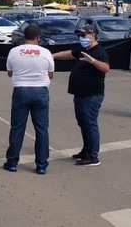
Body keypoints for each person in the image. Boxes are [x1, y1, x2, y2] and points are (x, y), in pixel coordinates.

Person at [53, 25, 109, 167]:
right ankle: (86, 150)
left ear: (93, 35)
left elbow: (106, 68)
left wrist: (93, 61)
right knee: (83, 123)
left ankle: (93, 156)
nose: (82, 39)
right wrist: (51, 56)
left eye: (84, 36)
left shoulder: (99, 52)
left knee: (89, 123)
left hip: (91, 94)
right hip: (80, 93)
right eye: (80, 36)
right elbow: (69, 54)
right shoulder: (83, 49)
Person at [3, 25, 54, 174]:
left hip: (21, 90)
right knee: (42, 129)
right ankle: (41, 165)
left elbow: (10, 72)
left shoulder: (14, 51)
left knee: (17, 127)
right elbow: (50, 74)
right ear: (38, 37)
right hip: (40, 92)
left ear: (24, 37)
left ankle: (12, 162)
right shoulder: (46, 53)